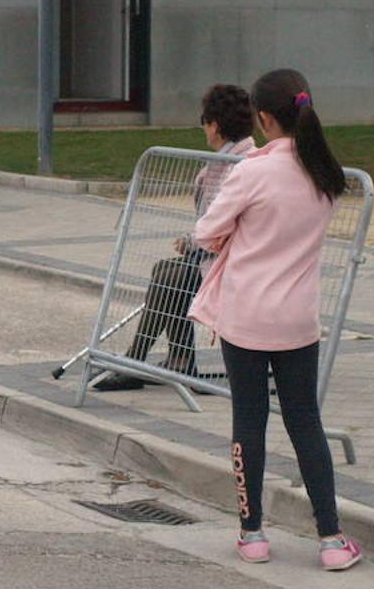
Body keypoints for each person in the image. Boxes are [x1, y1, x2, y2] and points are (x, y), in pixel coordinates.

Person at [189, 68, 361, 571]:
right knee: (305, 421)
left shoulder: (253, 172)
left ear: (264, 118)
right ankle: (331, 538)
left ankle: (252, 532)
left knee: (250, 418)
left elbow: (205, 230)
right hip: (297, 319)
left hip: (245, 315)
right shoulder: (326, 174)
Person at [95, 84, 255, 391]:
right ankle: (178, 359)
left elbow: (221, 220)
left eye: (205, 125)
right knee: (164, 270)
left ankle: (136, 362)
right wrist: (195, 240)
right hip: (221, 255)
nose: (204, 132)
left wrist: (193, 241)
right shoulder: (229, 159)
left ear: (215, 126)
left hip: (235, 262)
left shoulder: (237, 164)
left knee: (173, 277)